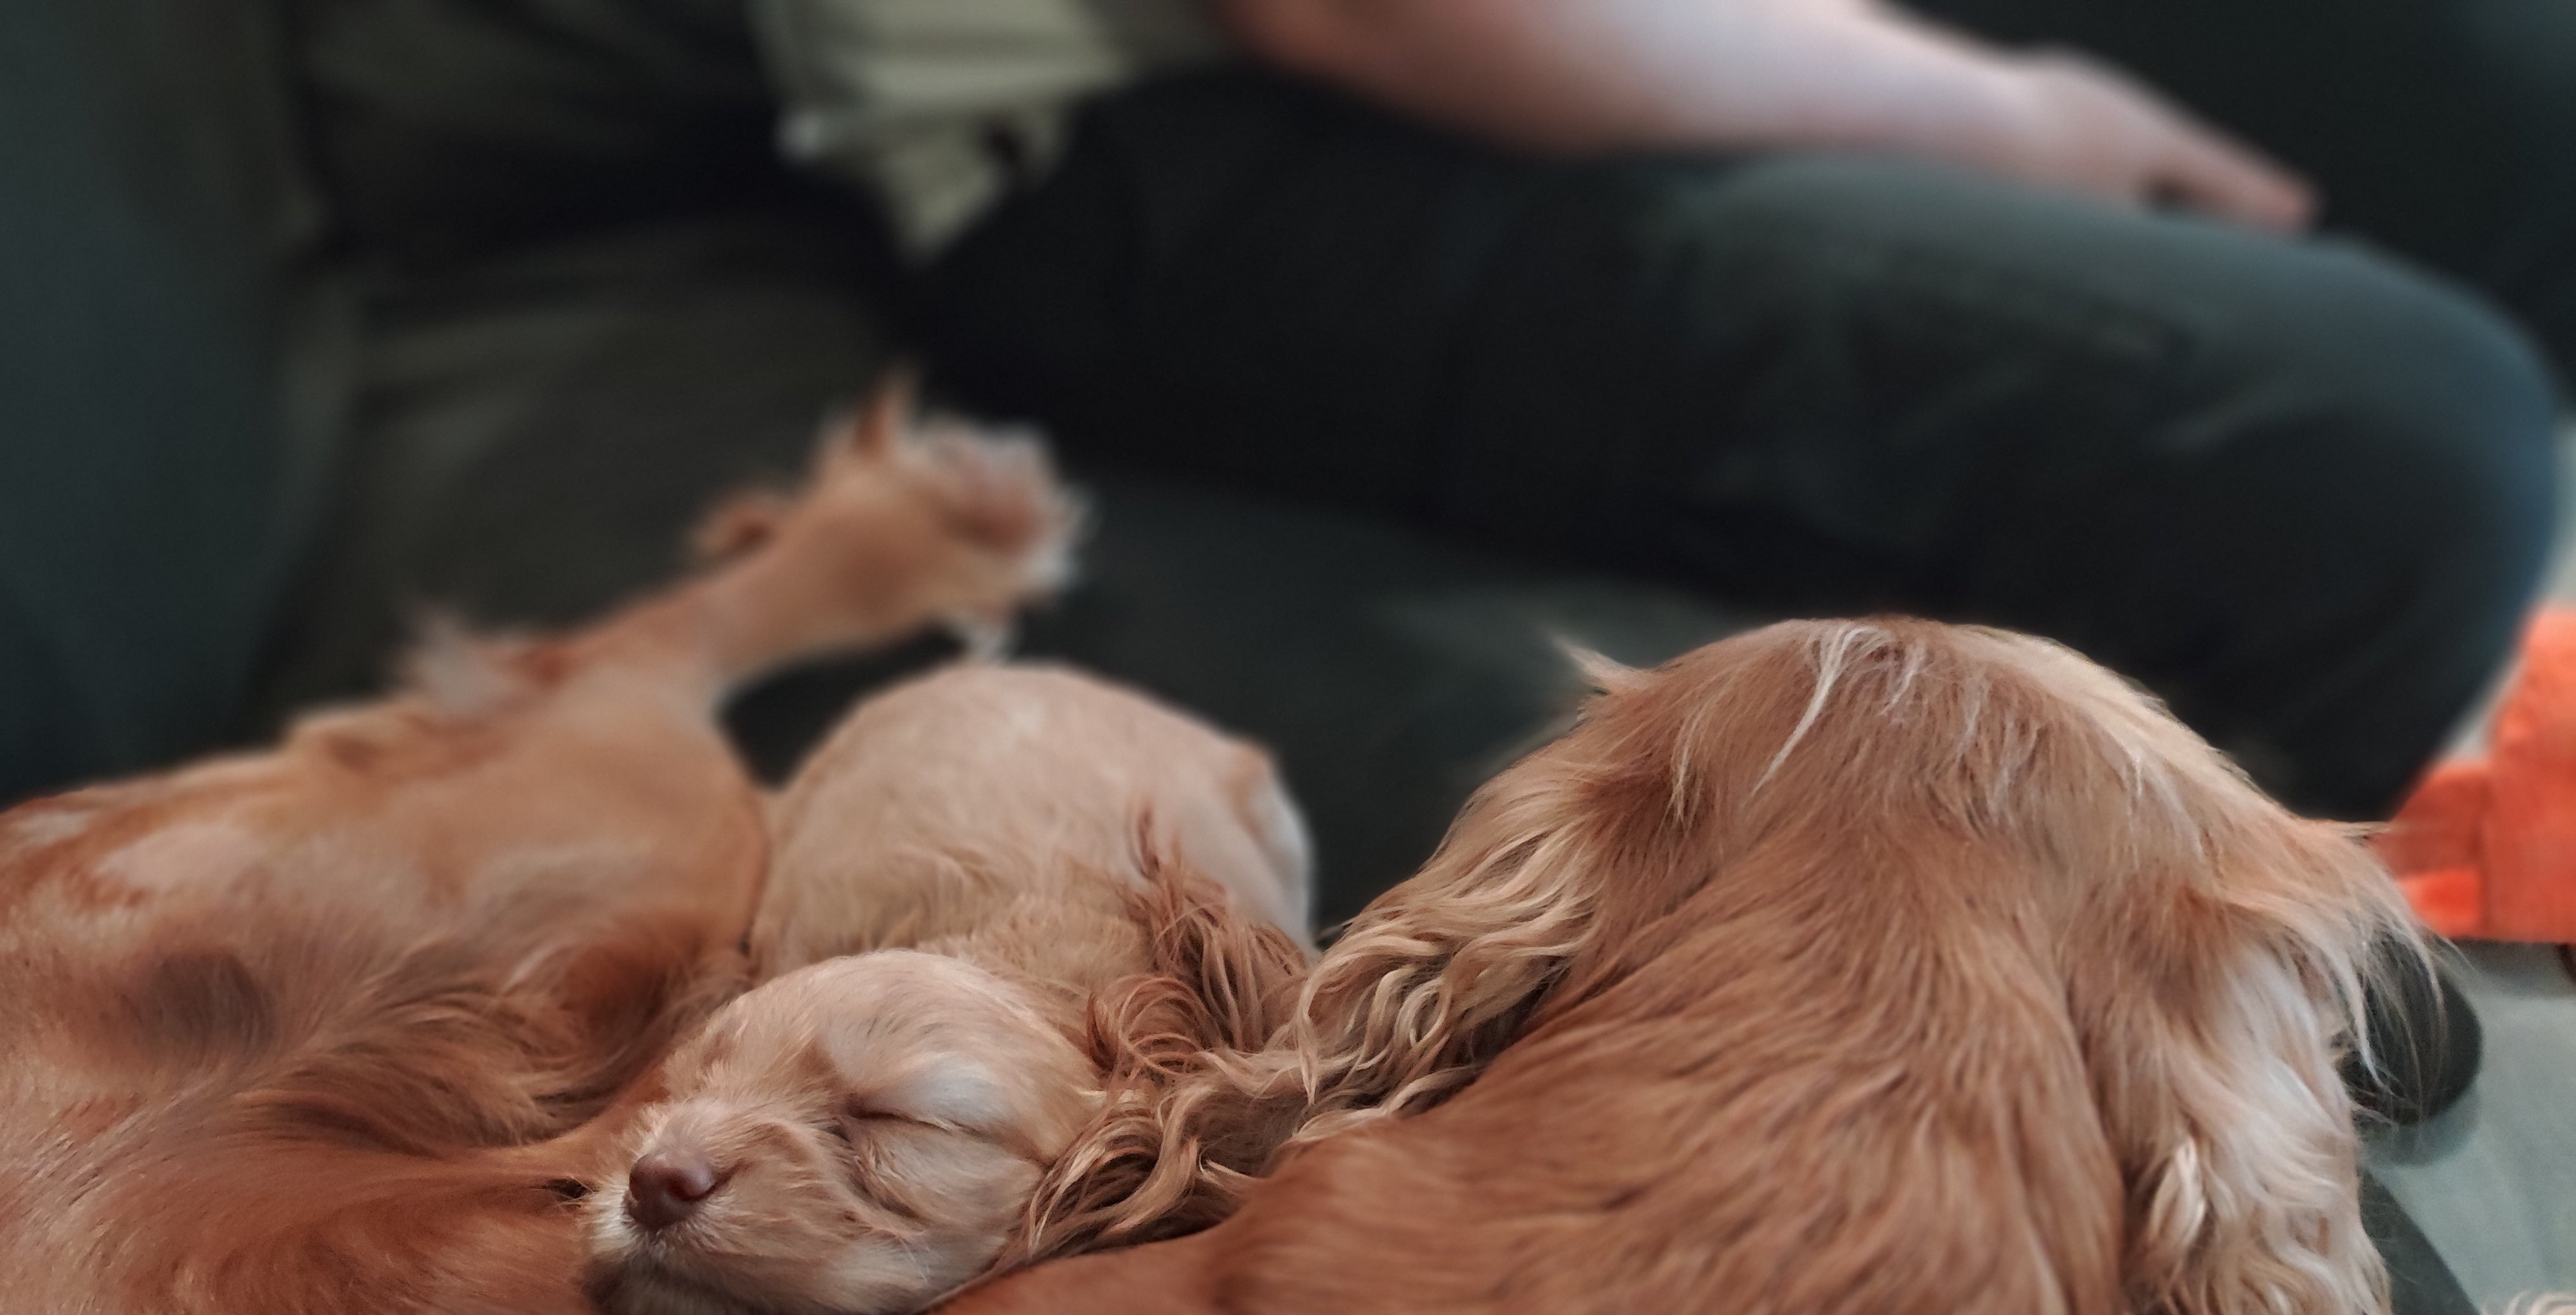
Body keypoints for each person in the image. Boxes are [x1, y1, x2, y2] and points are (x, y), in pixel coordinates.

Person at [754, 0, 2570, 829]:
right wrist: (2017, 126)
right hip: (1152, 139)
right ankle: (2163, 1086)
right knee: (2405, 449)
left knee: (2508, 95)